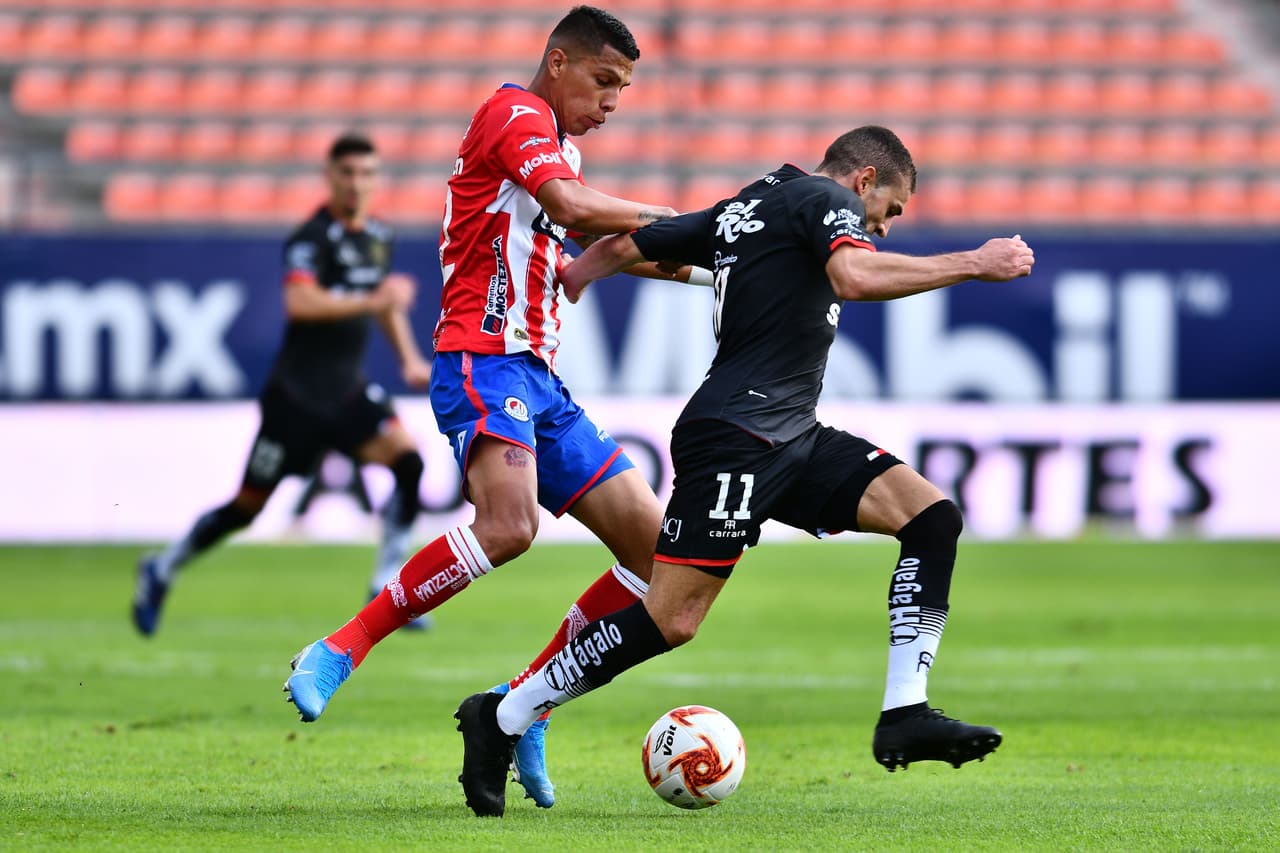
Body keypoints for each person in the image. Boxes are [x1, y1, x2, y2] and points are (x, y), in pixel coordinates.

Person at [453, 125, 1037, 816]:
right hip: (736, 437)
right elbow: (852, 275)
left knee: (931, 516)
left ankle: (905, 711)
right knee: (671, 619)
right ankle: (503, 714)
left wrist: (579, 275)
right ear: (865, 180)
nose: (883, 227)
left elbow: (629, 245)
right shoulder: (827, 200)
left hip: (791, 433)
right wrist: (973, 260)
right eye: (892, 209)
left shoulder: (747, 207)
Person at [282, 6, 695, 812]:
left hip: (540, 377)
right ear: (559, 61)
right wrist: (683, 221)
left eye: (624, 90)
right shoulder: (514, 113)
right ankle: (343, 645)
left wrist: (712, 264)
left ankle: (529, 700)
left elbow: (582, 256)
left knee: (658, 557)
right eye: (604, 81)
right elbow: (576, 209)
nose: (613, 102)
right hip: (479, 356)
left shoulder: (559, 156)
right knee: (509, 526)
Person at [132, 133, 434, 637]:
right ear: (330, 177)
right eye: (347, 174)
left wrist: (408, 358)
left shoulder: (380, 235)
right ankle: (161, 567)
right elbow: (302, 303)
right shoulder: (309, 239)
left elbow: (384, 304)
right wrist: (372, 300)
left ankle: (387, 583)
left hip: (347, 393)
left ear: (376, 179)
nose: (357, 184)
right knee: (245, 509)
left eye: (366, 174)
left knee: (408, 459)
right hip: (295, 399)